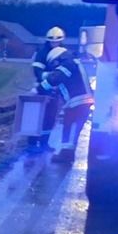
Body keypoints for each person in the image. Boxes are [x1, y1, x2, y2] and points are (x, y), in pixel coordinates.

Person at [33, 27, 93, 164]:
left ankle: (66, 156)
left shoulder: (67, 64)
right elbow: (64, 84)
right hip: (80, 102)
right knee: (69, 127)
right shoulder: (72, 60)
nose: (54, 66)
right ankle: (66, 154)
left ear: (57, 59)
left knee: (71, 128)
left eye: (54, 63)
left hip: (77, 102)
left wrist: (37, 90)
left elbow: (56, 78)